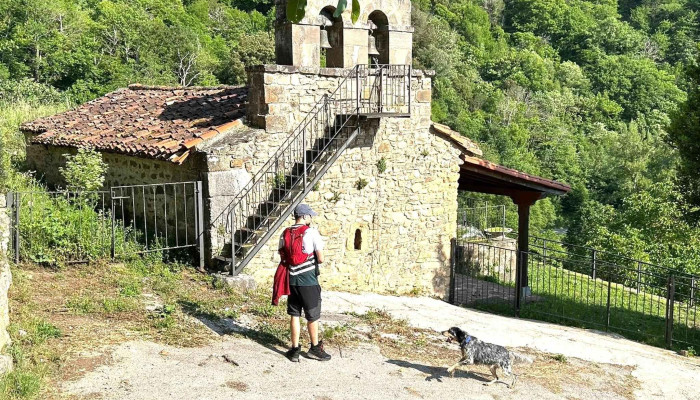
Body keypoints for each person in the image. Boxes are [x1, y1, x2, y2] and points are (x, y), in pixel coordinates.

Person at [279, 204, 331, 362]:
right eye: (310, 216)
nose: (311, 218)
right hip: (308, 280)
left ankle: (294, 350)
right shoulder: (312, 232)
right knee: (312, 315)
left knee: (294, 314)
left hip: (292, 280)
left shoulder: (285, 232)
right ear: (305, 216)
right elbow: (320, 258)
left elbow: (283, 255)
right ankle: (314, 348)